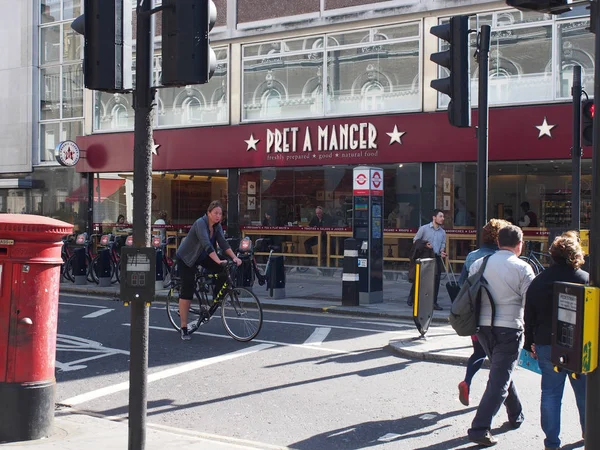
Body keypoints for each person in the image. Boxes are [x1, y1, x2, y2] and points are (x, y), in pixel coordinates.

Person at [467, 225, 535, 447]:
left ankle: (515, 414)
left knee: (501, 371)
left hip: (483, 327)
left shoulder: (479, 264)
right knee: (500, 379)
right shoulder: (523, 268)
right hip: (510, 327)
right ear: (520, 244)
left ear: (498, 243)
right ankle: (479, 427)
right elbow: (530, 304)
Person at [524, 234, 588, 450]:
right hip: (579, 346)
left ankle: (552, 443)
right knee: (584, 393)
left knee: (550, 394)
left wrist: (529, 343)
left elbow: (529, 316)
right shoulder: (585, 279)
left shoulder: (539, 280)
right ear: (575, 254)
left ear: (552, 254)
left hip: (546, 343)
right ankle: (589, 433)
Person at [457, 219, 510, 407]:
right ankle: (500, 401)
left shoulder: (472, 256)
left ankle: (467, 382)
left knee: (479, 351)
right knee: (501, 361)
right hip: (499, 317)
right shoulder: (503, 258)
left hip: (476, 314)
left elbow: (462, 284)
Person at [175, 200, 242, 340]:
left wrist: (234, 257)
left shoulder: (217, 227)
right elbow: (206, 244)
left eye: (220, 214)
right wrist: (217, 260)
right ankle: (183, 327)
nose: (218, 216)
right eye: (215, 213)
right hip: (187, 258)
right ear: (208, 213)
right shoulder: (201, 223)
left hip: (201, 256)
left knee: (224, 271)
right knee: (188, 287)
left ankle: (215, 301)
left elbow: (223, 243)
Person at [413, 209, 447, 311]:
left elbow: (443, 244)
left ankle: (434, 302)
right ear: (434, 217)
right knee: (422, 280)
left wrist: (442, 251)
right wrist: (425, 245)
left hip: (436, 257)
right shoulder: (424, 229)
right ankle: (415, 298)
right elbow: (415, 241)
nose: (442, 219)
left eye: (443, 217)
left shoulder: (443, 232)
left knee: (436, 281)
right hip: (425, 257)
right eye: (440, 216)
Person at [407, 238, 434, 307]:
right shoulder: (424, 229)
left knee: (428, 282)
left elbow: (441, 244)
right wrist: (424, 244)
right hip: (421, 259)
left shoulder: (441, 232)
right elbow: (415, 241)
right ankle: (412, 298)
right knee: (417, 281)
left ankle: (426, 301)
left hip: (431, 259)